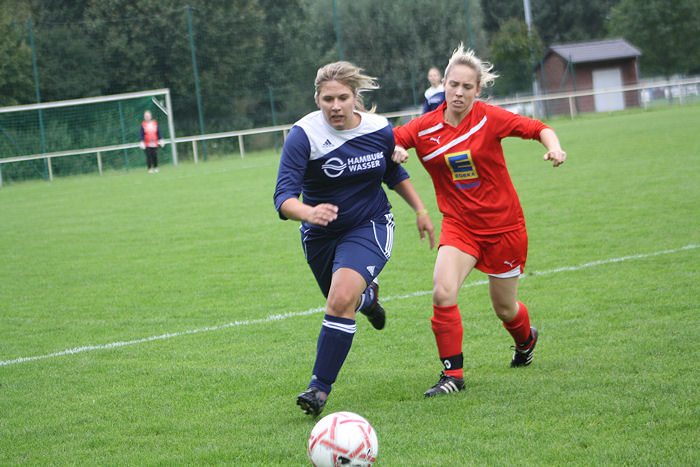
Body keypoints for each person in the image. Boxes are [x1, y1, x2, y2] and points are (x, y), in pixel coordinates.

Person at [392, 44, 566, 397]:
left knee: (504, 308)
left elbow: (538, 127)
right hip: (460, 225)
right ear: (444, 84)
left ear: (478, 89)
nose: (458, 92)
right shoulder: (424, 127)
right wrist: (395, 149)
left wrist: (555, 146)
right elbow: (392, 140)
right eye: (453, 84)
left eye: (466, 87)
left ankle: (526, 340)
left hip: (504, 227)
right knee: (443, 291)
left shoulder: (489, 117)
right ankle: (453, 376)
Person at [274, 61, 435, 416]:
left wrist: (421, 210)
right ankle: (369, 299)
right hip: (319, 235)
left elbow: (393, 173)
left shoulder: (379, 129)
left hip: (370, 224)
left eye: (343, 98)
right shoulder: (303, 135)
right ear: (317, 99)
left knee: (339, 300)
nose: (335, 106)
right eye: (327, 99)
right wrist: (308, 213)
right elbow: (283, 197)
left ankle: (318, 389)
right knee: (342, 302)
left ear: (355, 97)